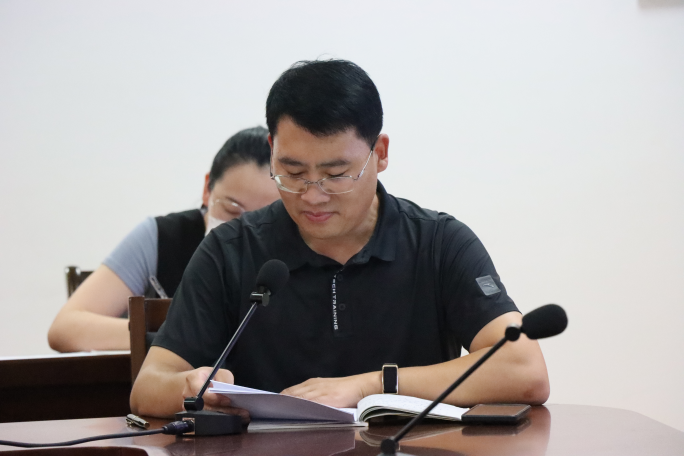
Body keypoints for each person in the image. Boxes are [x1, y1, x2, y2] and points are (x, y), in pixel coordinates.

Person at [130, 60, 550, 419]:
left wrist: (370, 385)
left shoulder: (439, 243)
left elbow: (524, 371)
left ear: (380, 154)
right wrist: (190, 385)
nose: (312, 195)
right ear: (272, 149)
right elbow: (147, 388)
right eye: (293, 172)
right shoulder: (230, 250)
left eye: (336, 175)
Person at [48, 127, 281, 353]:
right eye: (232, 210)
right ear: (207, 189)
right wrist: (171, 337)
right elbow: (66, 328)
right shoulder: (161, 238)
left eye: (262, 219)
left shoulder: (291, 250)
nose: (243, 229)